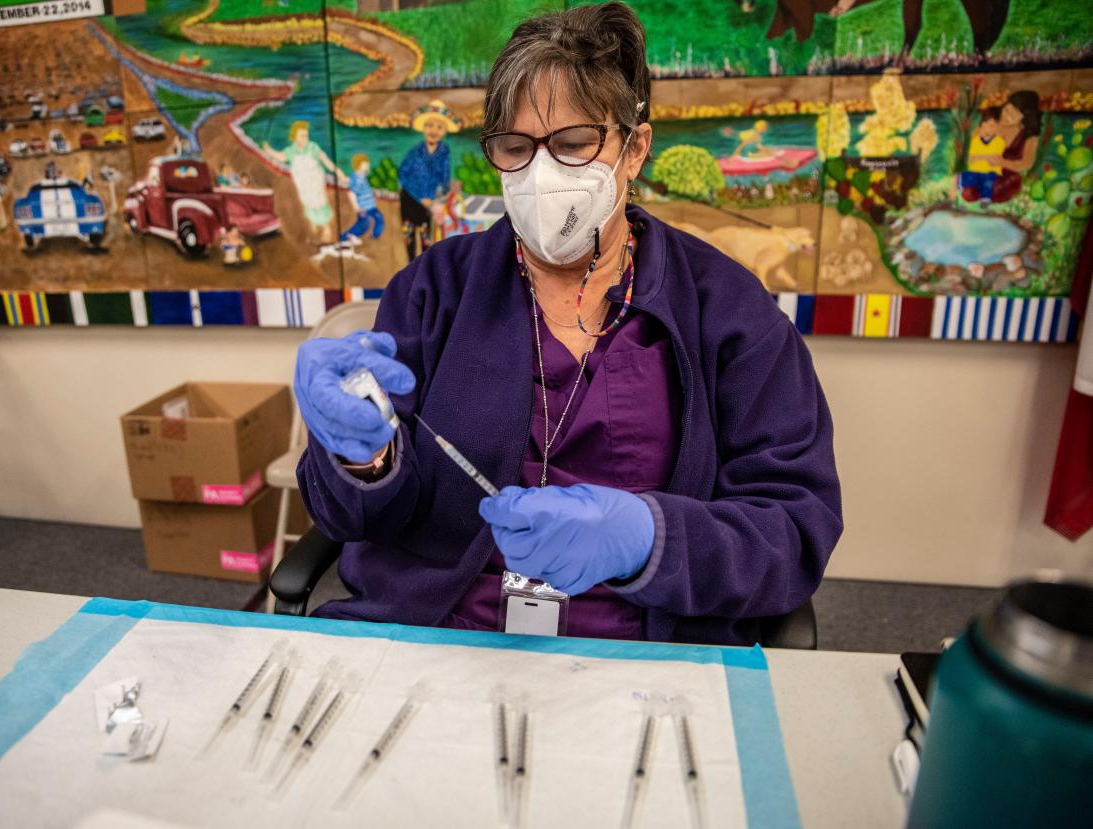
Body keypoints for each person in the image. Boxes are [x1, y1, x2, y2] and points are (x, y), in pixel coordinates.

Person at [293, 2, 842, 645]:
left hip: (643, 658)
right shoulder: (432, 290)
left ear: (634, 149)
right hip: (444, 635)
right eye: (515, 148)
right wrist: (365, 459)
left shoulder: (729, 312)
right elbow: (358, 516)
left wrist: (648, 539)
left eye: (575, 144)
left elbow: (792, 531)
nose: (542, 174)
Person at [259, 120, 341, 243]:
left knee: (319, 202)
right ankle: (313, 225)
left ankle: (326, 228)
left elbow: (325, 160)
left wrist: (337, 171)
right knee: (308, 202)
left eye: (306, 135)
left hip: (315, 181)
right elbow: (281, 156)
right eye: (302, 135)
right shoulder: (291, 150)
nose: (305, 138)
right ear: (295, 137)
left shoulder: (313, 147)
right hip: (302, 183)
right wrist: (269, 150)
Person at [398, 100, 460, 260]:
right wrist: (420, 197)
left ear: (445, 131)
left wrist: (439, 200)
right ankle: (410, 266)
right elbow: (403, 175)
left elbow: (444, 178)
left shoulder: (444, 151)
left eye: (439, 127)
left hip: (429, 203)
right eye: (430, 125)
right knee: (409, 236)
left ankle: (424, 269)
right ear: (424, 128)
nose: (434, 131)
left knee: (427, 238)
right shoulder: (415, 152)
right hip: (410, 198)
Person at [988, 90, 1042, 204]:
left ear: (1025, 118)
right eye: (1006, 110)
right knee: (969, 191)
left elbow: (1027, 163)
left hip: (1008, 177)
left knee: (993, 192)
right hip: (985, 170)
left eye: (1012, 115)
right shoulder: (993, 124)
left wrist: (1002, 162)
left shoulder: (1029, 137)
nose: (1006, 116)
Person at [960, 106, 1004, 204]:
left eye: (991, 126)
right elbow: (969, 159)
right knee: (966, 176)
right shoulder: (975, 141)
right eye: (983, 126)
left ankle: (985, 199)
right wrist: (983, 157)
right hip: (975, 171)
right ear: (979, 128)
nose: (986, 130)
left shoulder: (999, 142)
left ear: (997, 128)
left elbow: (994, 160)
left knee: (988, 181)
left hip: (991, 172)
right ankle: (967, 191)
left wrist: (979, 157)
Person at [339, 153, 384, 245]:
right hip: (364, 207)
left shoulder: (362, 177)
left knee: (379, 219)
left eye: (367, 164)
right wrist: (357, 208)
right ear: (358, 165)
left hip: (371, 205)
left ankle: (375, 236)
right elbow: (351, 193)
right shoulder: (356, 178)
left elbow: (364, 189)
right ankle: (344, 237)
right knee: (363, 225)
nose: (367, 166)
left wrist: (373, 193)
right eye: (365, 165)